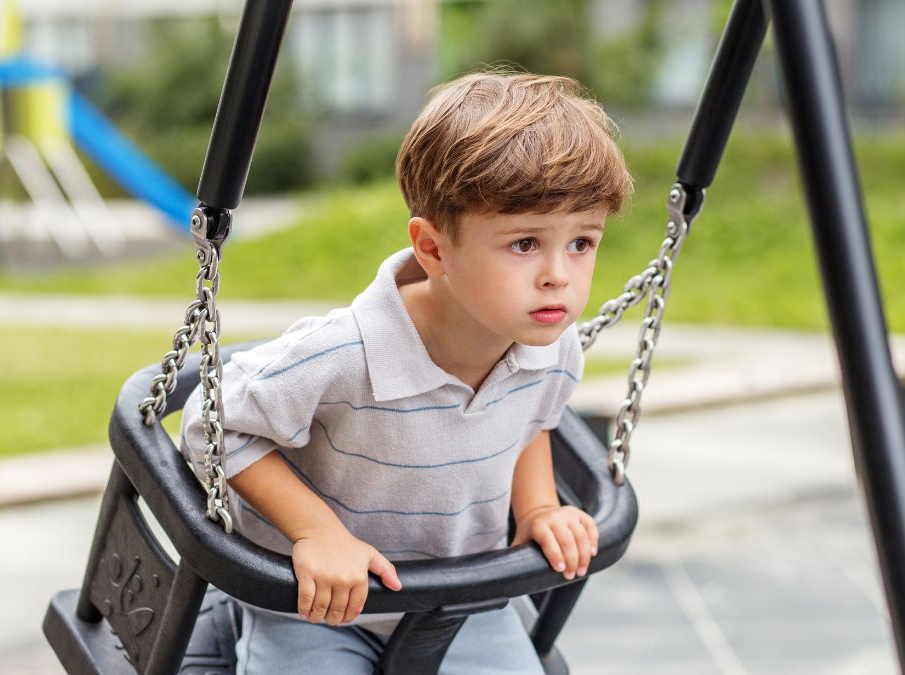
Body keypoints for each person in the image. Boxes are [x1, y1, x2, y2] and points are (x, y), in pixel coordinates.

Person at [179, 70, 633, 674]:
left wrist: (538, 511)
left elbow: (532, 422)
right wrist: (317, 534)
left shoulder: (552, 348)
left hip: (459, 600)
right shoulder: (347, 352)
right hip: (315, 605)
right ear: (434, 247)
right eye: (525, 243)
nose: (559, 274)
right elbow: (211, 424)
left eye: (582, 242)